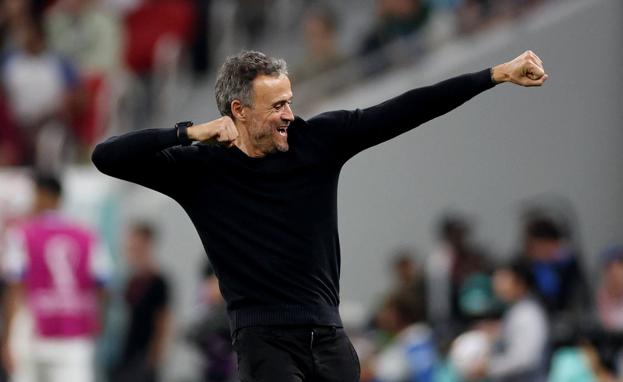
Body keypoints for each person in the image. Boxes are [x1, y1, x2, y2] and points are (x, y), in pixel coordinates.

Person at [92, 49, 548, 381]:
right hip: (263, 344)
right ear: (238, 111)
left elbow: (408, 108)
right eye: (277, 106)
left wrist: (495, 74)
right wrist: (185, 132)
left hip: (329, 336)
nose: (290, 113)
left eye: (289, 100)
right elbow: (106, 156)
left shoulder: (319, 140)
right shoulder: (198, 169)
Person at [0, 173, 112, 382]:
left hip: (31, 331)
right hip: (75, 332)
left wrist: (8, 339)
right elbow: (103, 285)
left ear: (44, 196)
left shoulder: (23, 233)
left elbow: (15, 289)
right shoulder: (87, 235)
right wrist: (96, 322)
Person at [114, 222, 170, 382]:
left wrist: (154, 358)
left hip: (144, 356)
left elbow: (163, 321)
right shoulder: (131, 281)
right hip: (127, 352)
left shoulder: (158, 282)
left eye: (135, 245)